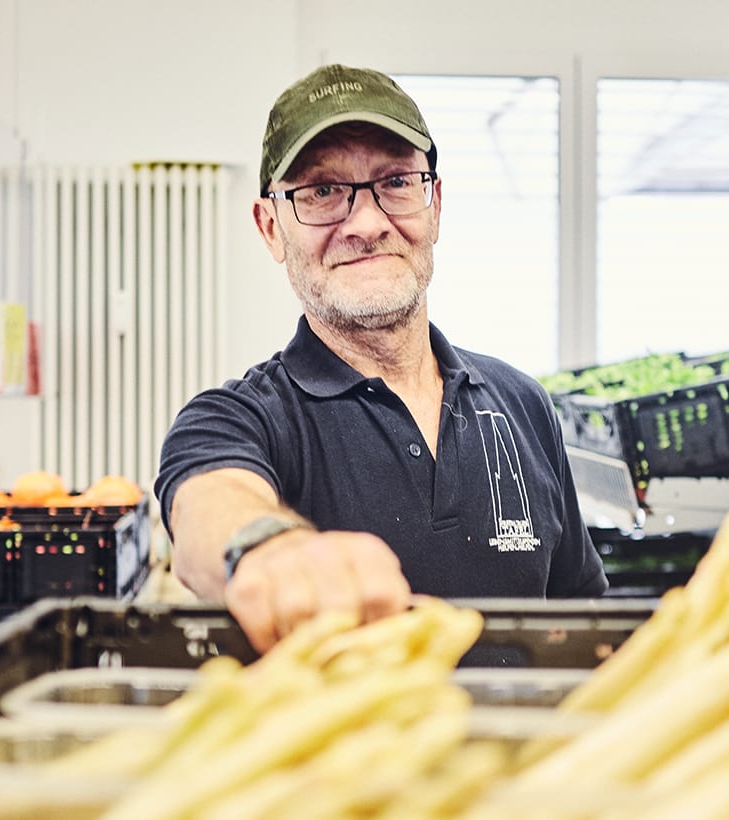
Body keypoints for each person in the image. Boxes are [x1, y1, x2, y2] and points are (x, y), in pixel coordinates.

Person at [155, 64, 606, 652]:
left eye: (395, 182)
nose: (366, 224)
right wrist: (271, 549)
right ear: (271, 228)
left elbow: (583, 621)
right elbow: (209, 510)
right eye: (322, 192)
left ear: (434, 205)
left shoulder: (523, 403)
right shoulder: (240, 418)